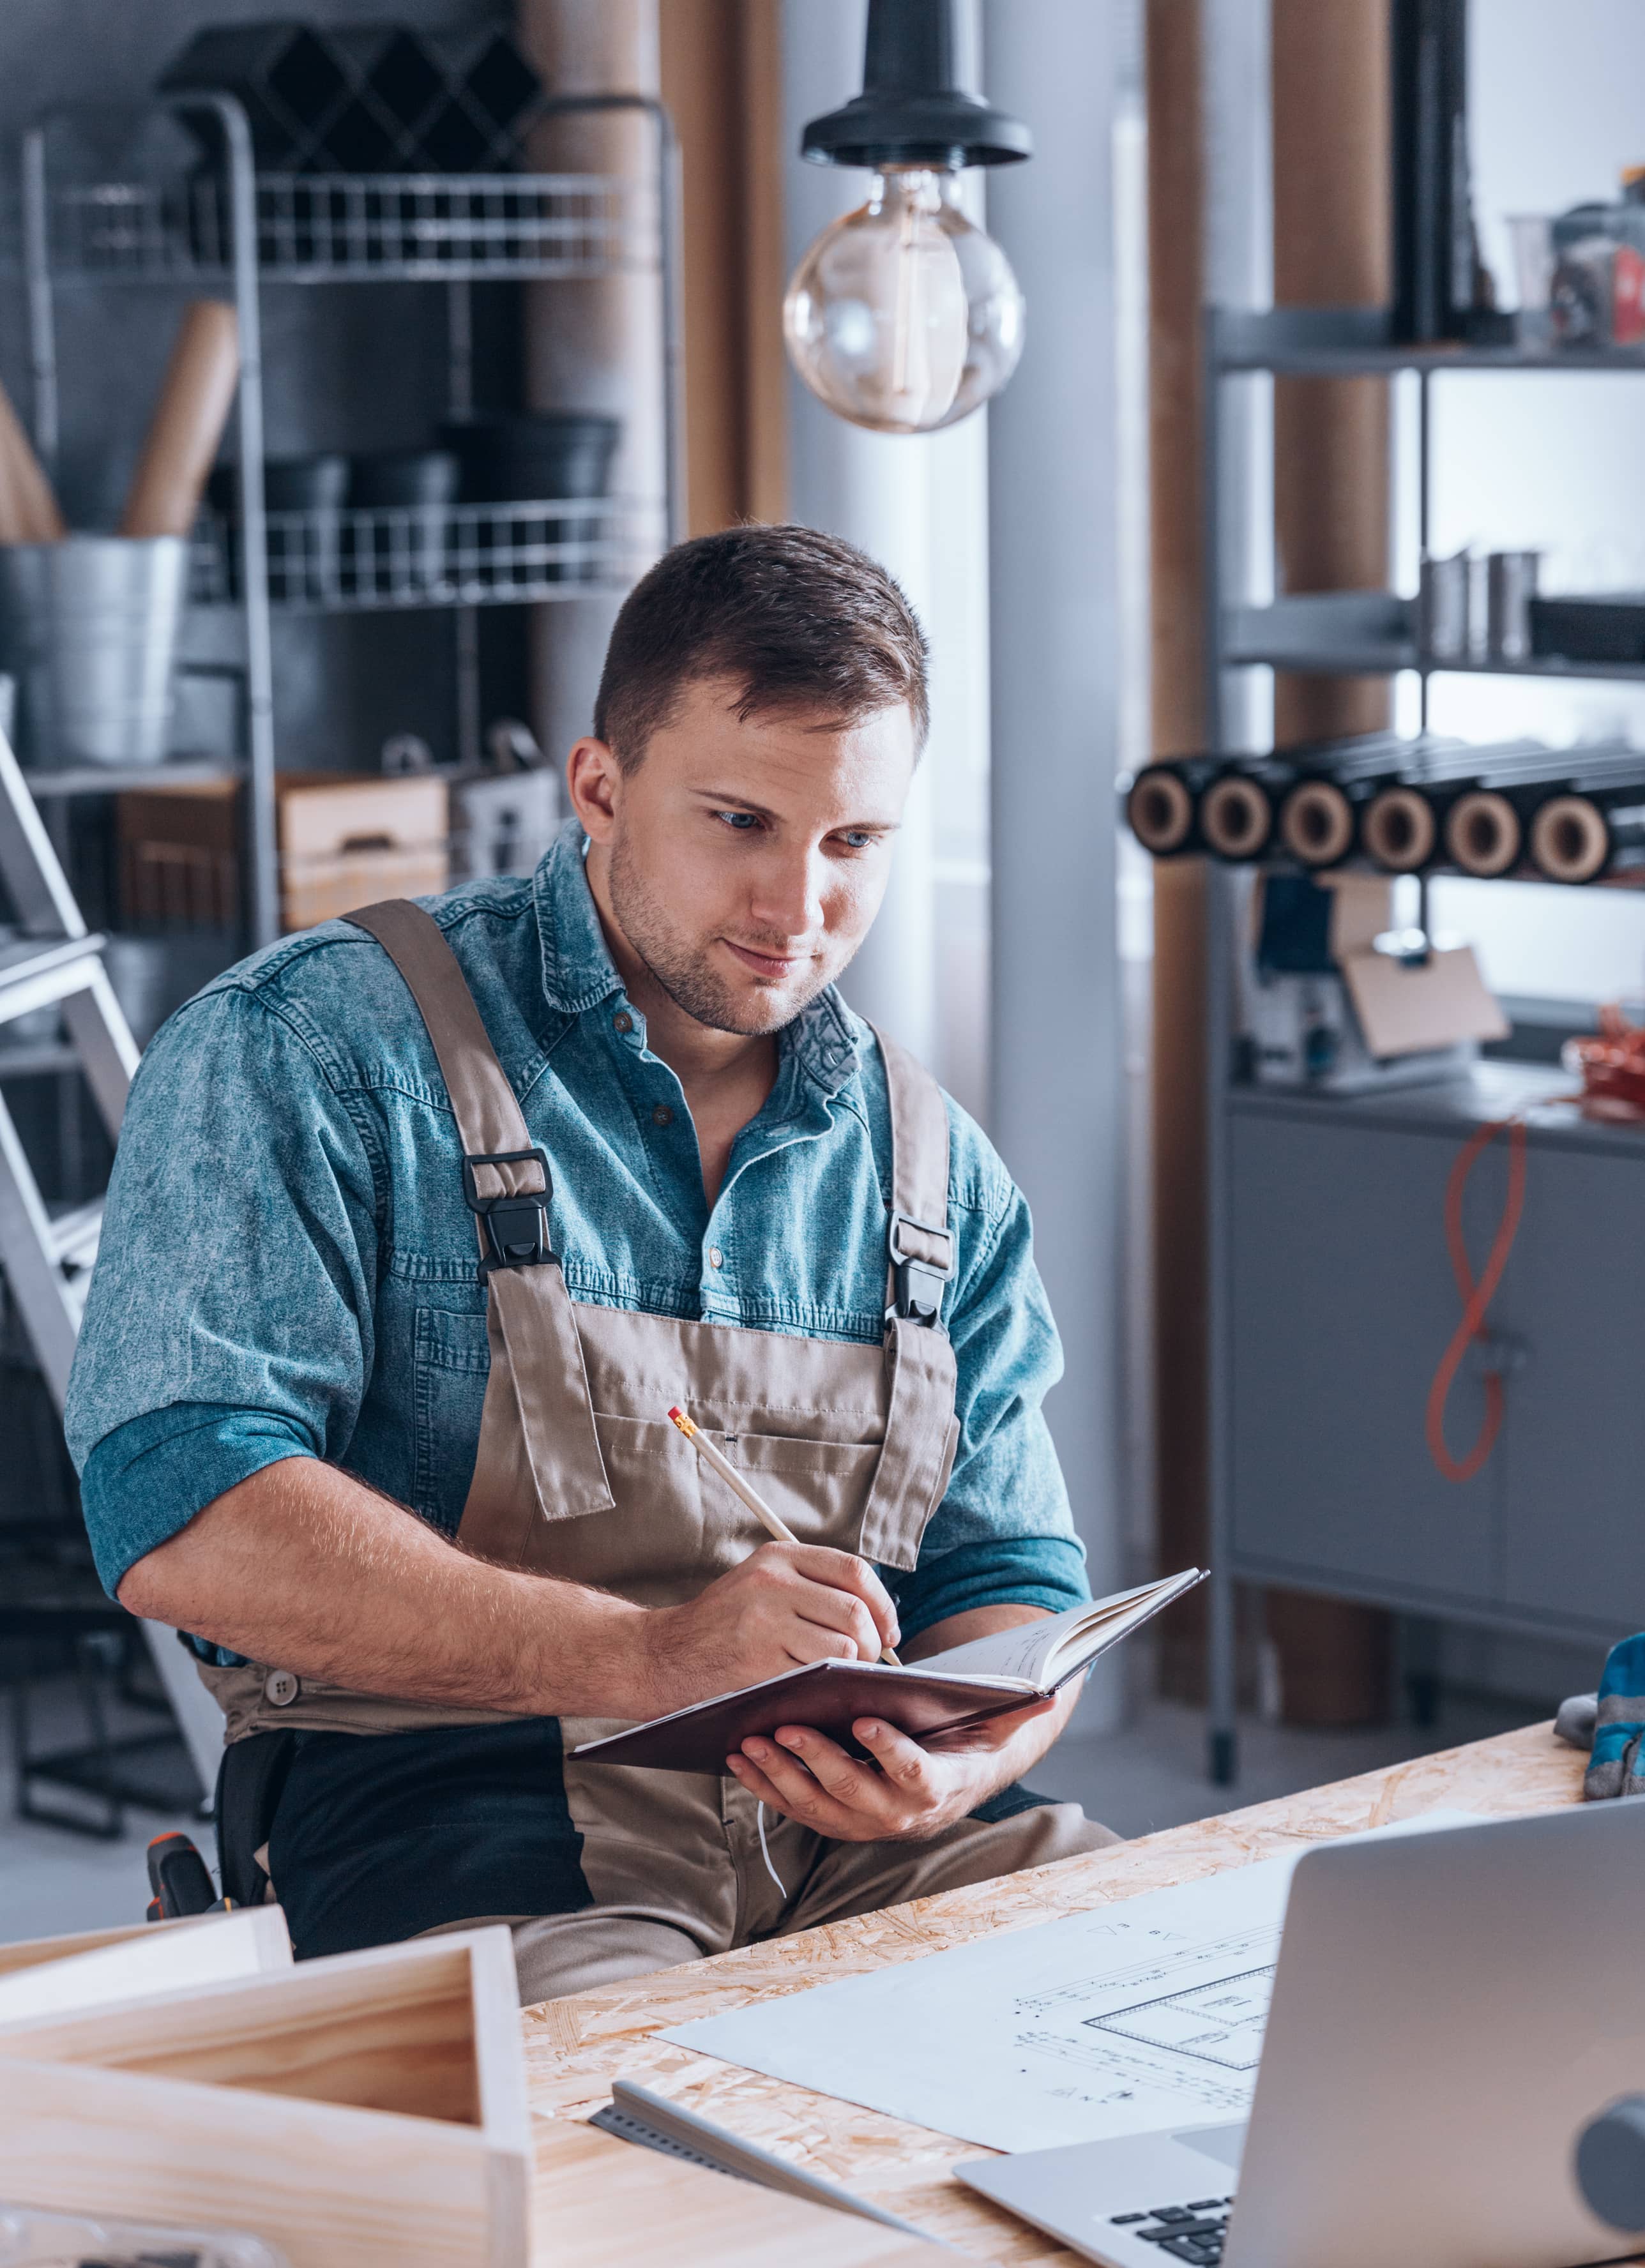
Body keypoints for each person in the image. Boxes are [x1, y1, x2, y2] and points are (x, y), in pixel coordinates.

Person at [66, 524, 1112, 2003]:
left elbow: (1008, 1575)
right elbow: (183, 1510)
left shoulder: (933, 1165)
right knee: (661, 2116)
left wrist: (968, 1758)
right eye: (739, 822)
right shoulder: (308, 1051)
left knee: (1185, 1996)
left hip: (852, 1836)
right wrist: (653, 1659)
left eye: (852, 843)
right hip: (451, 1810)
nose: (796, 909)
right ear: (601, 789)